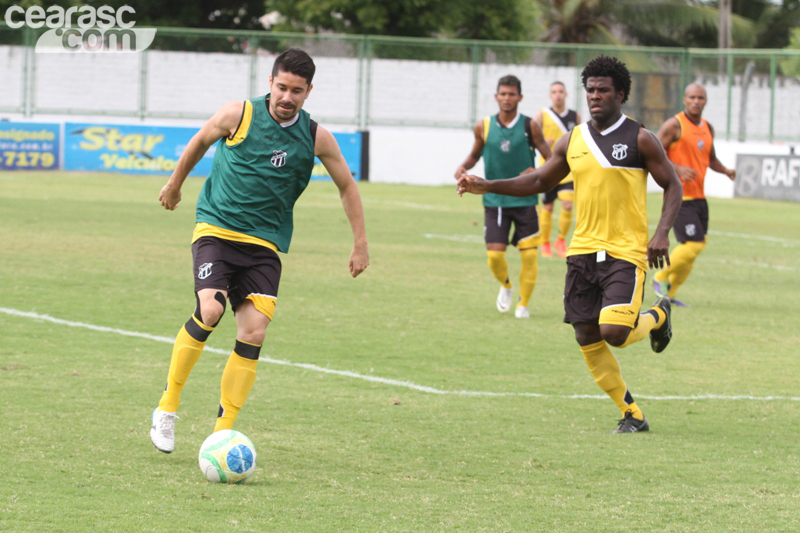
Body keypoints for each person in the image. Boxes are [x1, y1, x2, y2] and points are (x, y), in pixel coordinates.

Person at [150, 49, 369, 453]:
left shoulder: (316, 136)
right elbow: (199, 142)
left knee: (254, 330)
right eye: (282, 87)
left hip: (264, 245)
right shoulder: (238, 114)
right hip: (216, 229)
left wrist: (360, 243)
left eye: (297, 91)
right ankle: (167, 407)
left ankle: (222, 432)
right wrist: (175, 183)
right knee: (211, 310)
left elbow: (347, 186)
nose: (288, 97)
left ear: (308, 92)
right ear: (270, 82)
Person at [458, 56, 683, 433]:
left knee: (614, 332)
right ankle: (632, 413)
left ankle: (658, 315)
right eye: (591, 90)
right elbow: (539, 181)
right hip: (581, 252)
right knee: (586, 334)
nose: (595, 96)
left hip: (625, 253)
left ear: (621, 94)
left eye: (603, 90)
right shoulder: (572, 140)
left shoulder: (639, 138)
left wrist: (661, 234)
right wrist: (488, 184)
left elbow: (673, 184)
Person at [455, 75, 552, 319]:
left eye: (511, 94)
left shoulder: (530, 126)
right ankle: (506, 286)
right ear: (496, 96)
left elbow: (552, 159)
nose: (507, 98)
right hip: (495, 200)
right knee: (495, 256)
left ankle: (524, 305)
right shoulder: (483, 126)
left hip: (526, 201)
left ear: (520, 97)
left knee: (529, 256)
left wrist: (538, 171)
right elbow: (475, 154)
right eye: (503, 94)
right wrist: (463, 168)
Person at [652, 83, 736, 306]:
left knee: (697, 246)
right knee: (695, 244)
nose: (696, 101)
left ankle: (671, 294)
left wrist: (725, 170)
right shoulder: (674, 125)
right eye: (692, 97)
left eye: (700, 97)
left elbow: (711, 159)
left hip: (699, 197)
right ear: (684, 100)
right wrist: (677, 168)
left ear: (705, 101)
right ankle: (659, 277)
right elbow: (654, 154)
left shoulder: (708, 127)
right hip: (679, 196)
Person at [533, 81, 581, 258]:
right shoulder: (543, 115)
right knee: (548, 206)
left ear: (566, 94)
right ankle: (545, 242)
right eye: (554, 92)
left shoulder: (575, 117)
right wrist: (543, 144)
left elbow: (580, 139)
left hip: (567, 169)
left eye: (561, 91)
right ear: (550, 95)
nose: (558, 95)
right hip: (548, 168)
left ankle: (560, 240)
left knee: (568, 205)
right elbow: (531, 138)